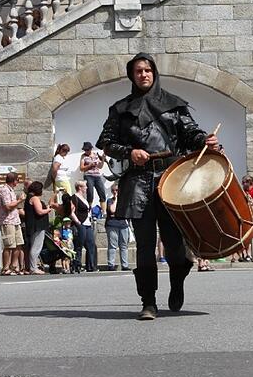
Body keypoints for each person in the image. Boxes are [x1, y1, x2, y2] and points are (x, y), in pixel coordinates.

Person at [97, 53, 219, 320]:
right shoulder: (119, 109)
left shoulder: (174, 105)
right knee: (144, 245)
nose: (144, 74)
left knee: (174, 244)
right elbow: (106, 143)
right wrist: (129, 152)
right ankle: (148, 301)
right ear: (132, 75)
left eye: (148, 70)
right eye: (138, 71)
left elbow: (192, 133)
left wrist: (206, 141)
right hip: (137, 181)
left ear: (154, 73)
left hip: (171, 180)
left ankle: (178, 279)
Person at [0, 172, 25, 275]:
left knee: (18, 244)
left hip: (15, 221)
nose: (17, 182)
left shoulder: (11, 190)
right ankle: (5, 268)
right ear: (14, 180)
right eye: (17, 180)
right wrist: (19, 201)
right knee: (9, 245)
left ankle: (13, 266)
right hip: (8, 221)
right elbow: (8, 206)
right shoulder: (5, 190)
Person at [25, 181, 51, 274]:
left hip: (33, 225)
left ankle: (33, 266)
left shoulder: (29, 197)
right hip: (37, 225)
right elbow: (39, 211)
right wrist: (47, 210)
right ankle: (33, 267)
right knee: (36, 246)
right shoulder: (35, 198)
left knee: (34, 245)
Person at [71, 180, 97, 272]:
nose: (86, 188)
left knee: (91, 244)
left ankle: (91, 266)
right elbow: (71, 212)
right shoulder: (74, 198)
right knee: (79, 245)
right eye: (85, 186)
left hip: (87, 224)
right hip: (81, 223)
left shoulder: (84, 198)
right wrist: (77, 221)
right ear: (80, 187)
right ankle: (76, 264)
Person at [105, 183, 130, 271]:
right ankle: (111, 264)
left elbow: (127, 212)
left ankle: (125, 265)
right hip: (112, 225)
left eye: (117, 190)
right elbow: (112, 210)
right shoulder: (110, 200)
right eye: (113, 191)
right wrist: (115, 200)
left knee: (124, 246)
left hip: (123, 225)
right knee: (112, 245)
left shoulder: (124, 201)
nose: (115, 192)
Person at [79, 141, 107, 206]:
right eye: (85, 150)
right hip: (88, 176)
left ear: (91, 149)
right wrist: (90, 165)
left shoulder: (96, 155)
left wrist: (102, 159)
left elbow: (100, 166)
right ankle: (90, 211)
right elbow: (81, 168)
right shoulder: (83, 156)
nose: (86, 151)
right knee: (90, 194)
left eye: (87, 150)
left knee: (102, 193)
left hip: (97, 176)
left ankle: (104, 212)